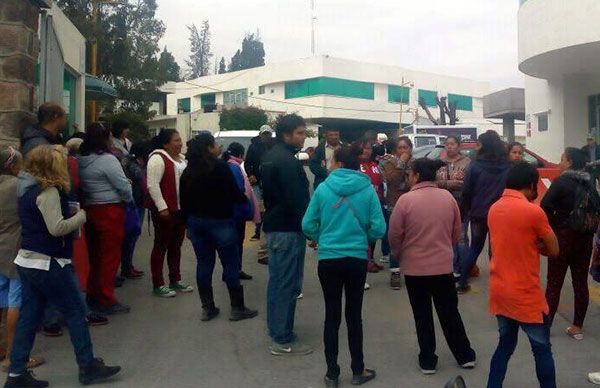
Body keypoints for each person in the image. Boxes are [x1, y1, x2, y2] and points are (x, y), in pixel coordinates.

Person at [6, 145, 121, 387]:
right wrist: (80, 217)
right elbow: (56, 228)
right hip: (49, 261)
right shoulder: (48, 192)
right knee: (76, 312)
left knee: (29, 315)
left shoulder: (25, 188)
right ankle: (87, 365)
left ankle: (16, 373)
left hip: (27, 259)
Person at [302, 145, 385, 387]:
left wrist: (322, 238)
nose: (327, 163)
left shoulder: (323, 189)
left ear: (338, 163)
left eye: (330, 160)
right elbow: (379, 229)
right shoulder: (368, 190)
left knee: (332, 315)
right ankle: (358, 370)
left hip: (329, 259)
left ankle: (332, 373)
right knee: (354, 315)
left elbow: (307, 224)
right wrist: (361, 237)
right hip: (357, 259)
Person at [389, 158, 476, 375]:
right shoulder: (447, 198)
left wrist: (400, 256)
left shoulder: (405, 201)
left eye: (409, 174)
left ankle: (428, 360)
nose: (408, 177)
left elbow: (395, 235)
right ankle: (464, 355)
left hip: (415, 269)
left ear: (417, 175)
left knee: (422, 315)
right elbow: (456, 233)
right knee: (449, 312)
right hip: (443, 267)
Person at [487, 162, 560, 388]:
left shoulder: (494, 208)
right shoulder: (533, 211)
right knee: (541, 350)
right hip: (526, 295)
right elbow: (554, 249)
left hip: (500, 291)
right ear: (530, 184)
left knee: (505, 346)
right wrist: (538, 246)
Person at [181, 133, 258, 322]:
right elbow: (235, 194)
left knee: (204, 264)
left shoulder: (188, 171)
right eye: (215, 144)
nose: (218, 147)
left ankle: (208, 308)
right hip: (221, 222)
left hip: (197, 224)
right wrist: (245, 200)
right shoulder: (221, 168)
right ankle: (237, 308)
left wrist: (187, 226)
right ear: (209, 148)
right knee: (230, 264)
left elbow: (183, 201)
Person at [262, 114, 312, 356]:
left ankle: (276, 329)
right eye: (300, 133)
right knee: (287, 284)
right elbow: (298, 201)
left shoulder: (271, 157)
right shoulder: (288, 162)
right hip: (288, 230)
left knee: (277, 282)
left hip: (275, 227)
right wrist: (311, 229)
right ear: (287, 135)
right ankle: (282, 337)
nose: (303, 137)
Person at [541, 147, 597, 340]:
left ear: (570, 162)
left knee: (554, 283)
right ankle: (577, 327)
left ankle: (545, 328)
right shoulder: (590, 183)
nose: (560, 163)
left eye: (562, 159)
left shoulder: (561, 182)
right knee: (580, 283)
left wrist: (556, 225)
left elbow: (544, 206)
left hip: (562, 240)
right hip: (584, 240)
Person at [78, 123, 133, 314]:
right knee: (109, 257)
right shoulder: (108, 160)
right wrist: (129, 199)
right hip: (110, 210)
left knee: (94, 256)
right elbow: (123, 187)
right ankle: (106, 298)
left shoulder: (80, 159)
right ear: (104, 139)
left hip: (90, 209)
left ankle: (93, 293)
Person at [0, 146, 46, 372]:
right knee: (16, 301)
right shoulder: (17, 186)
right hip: (14, 248)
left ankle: (3, 349)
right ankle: (13, 356)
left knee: (2, 300)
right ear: (11, 165)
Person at [457, 131, 510, 294]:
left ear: (485, 145)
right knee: (499, 249)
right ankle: (499, 284)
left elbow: (466, 191)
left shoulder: (475, 165)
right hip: (501, 214)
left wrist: (465, 210)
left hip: (479, 213)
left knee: (475, 247)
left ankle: (463, 282)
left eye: (478, 144)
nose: (476, 147)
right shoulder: (507, 166)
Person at [146, 129, 193, 298]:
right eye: (176, 140)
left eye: (180, 140)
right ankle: (158, 283)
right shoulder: (157, 159)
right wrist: (161, 207)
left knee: (176, 246)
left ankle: (175, 279)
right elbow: (153, 185)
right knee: (161, 246)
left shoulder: (181, 159)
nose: (180, 143)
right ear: (166, 144)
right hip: (166, 211)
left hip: (180, 210)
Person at [222, 142, 261, 280]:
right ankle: (233, 271)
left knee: (233, 242)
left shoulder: (229, 165)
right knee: (236, 242)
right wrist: (246, 201)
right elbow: (239, 190)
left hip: (231, 212)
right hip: (236, 213)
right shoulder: (234, 167)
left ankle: (231, 270)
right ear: (240, 154)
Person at [380, 136, 414, 289]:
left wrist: (406, 183)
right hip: (394, 204)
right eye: (399, 148)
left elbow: (414, 183)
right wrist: (401, 163)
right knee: (395, 238)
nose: (402, 151)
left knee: (412, 239)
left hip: (413, 204)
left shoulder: (416, 163)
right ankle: (395, 271)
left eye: (405, 148)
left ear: (410, 148)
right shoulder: (390, 162)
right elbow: (392, 180)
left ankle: (412, 271)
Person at [436, 136, 471, 282]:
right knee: (447, 237)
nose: (449, 147)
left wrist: (449, 183)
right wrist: (450, 183)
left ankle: (464, 269)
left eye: (452, 144)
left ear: (459, 146)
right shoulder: (439, 163)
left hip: (462, 204)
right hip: (443, 204)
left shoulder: (467, 162)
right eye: (447, 144)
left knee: (461, 237)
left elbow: (468, 183)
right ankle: (451, 268)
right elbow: (435, 182)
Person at [120, 142, 148, 280]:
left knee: (132, 237)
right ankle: (126, 267)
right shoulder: (133, 166)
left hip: (138, 203)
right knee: (130, 237)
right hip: (134, 204)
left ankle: (128, 266)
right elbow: (141, 181)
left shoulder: (133, 164)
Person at [356, 138, 385, 276]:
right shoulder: (354, 165)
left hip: (376, 202)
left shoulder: (375, 164)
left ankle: (370, 258)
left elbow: (380, 184)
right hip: (359, 205)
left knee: (373, 232)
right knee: (362, 234)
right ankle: (363, 261)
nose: (366, 151)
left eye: (368, 148)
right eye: (363, 148)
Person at [245, 125, 274, 246]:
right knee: (258, 207)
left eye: (268, 134)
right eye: (264, 134)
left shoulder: (275, 146)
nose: (266, 136)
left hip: (272, 182)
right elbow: (247, 163)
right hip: (257, 182)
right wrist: (250, 174)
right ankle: (257, 231)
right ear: (260, 134)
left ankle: (270, 229)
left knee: (271, 206)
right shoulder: (253, 147)